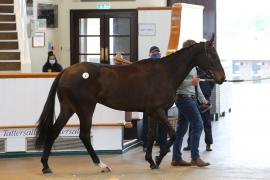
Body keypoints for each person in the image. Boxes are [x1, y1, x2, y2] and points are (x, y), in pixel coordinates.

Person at [171, 40, 210, 167]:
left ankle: (176, 158)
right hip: (184, 98)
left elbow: (196, 84)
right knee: (198, 125)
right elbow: (175, 82)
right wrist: (190, 83)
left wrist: (202, 98)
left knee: (181, 130)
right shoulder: (180, 64)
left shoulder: (193, 66)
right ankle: (195, 157)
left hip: (191, 98)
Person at [142, 46, 168, 152]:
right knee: (151, 122)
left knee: (161, 122)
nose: (156, 55)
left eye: (157, 53)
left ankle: (160, 143)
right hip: (150, 98)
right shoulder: (147, 66)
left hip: (158, 98)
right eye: (154, 53)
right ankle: (149, 143)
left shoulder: (162, 66)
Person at [183, 67, 215, 151]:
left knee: (206, 121)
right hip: (193, 97)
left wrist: (207, 92)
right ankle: (190, 143)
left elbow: (212, 83)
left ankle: (208, 143)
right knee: (193, 121)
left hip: (204, 98)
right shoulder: (192, 70)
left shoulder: (207, 70)